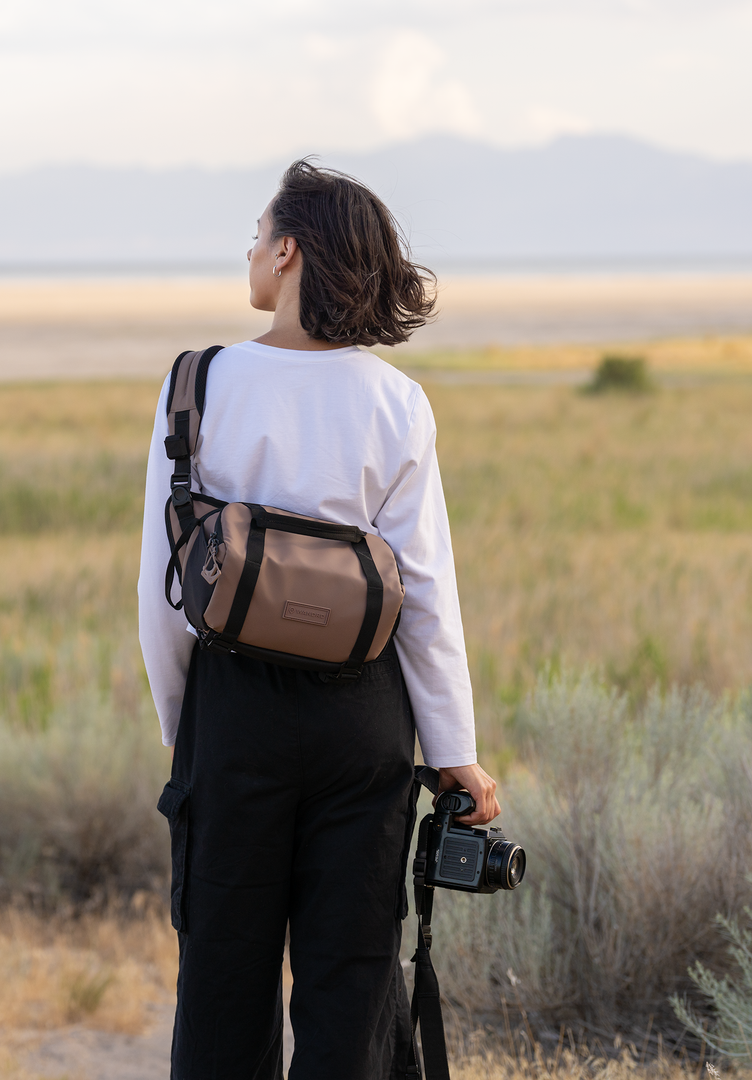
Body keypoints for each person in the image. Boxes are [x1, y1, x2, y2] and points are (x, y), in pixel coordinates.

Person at [137, 160, 500, 1080]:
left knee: (222, 981)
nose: (250, 252)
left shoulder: (198, 383)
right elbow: (425, 592)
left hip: (233, 713)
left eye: (257, 236)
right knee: (353, 984)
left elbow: (163, 590)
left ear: (287, 252)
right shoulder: (396, 400)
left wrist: (189, 727)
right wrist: (453, 749)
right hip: (363, 718)